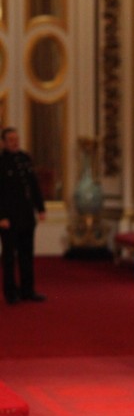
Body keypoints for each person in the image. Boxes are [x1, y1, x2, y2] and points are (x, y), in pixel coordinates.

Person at [0, 127, 46, 304]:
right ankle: (11, 292)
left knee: (27, 254)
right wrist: (1, 216)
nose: (15, 142)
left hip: (26, 215)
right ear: (3, 142)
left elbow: (33, 185)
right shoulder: (2, 162)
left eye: (16, 139)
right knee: (10, 257)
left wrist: (40, 208)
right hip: (8, 218)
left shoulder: (25, 158)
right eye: (11, 139)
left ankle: (28, 290)